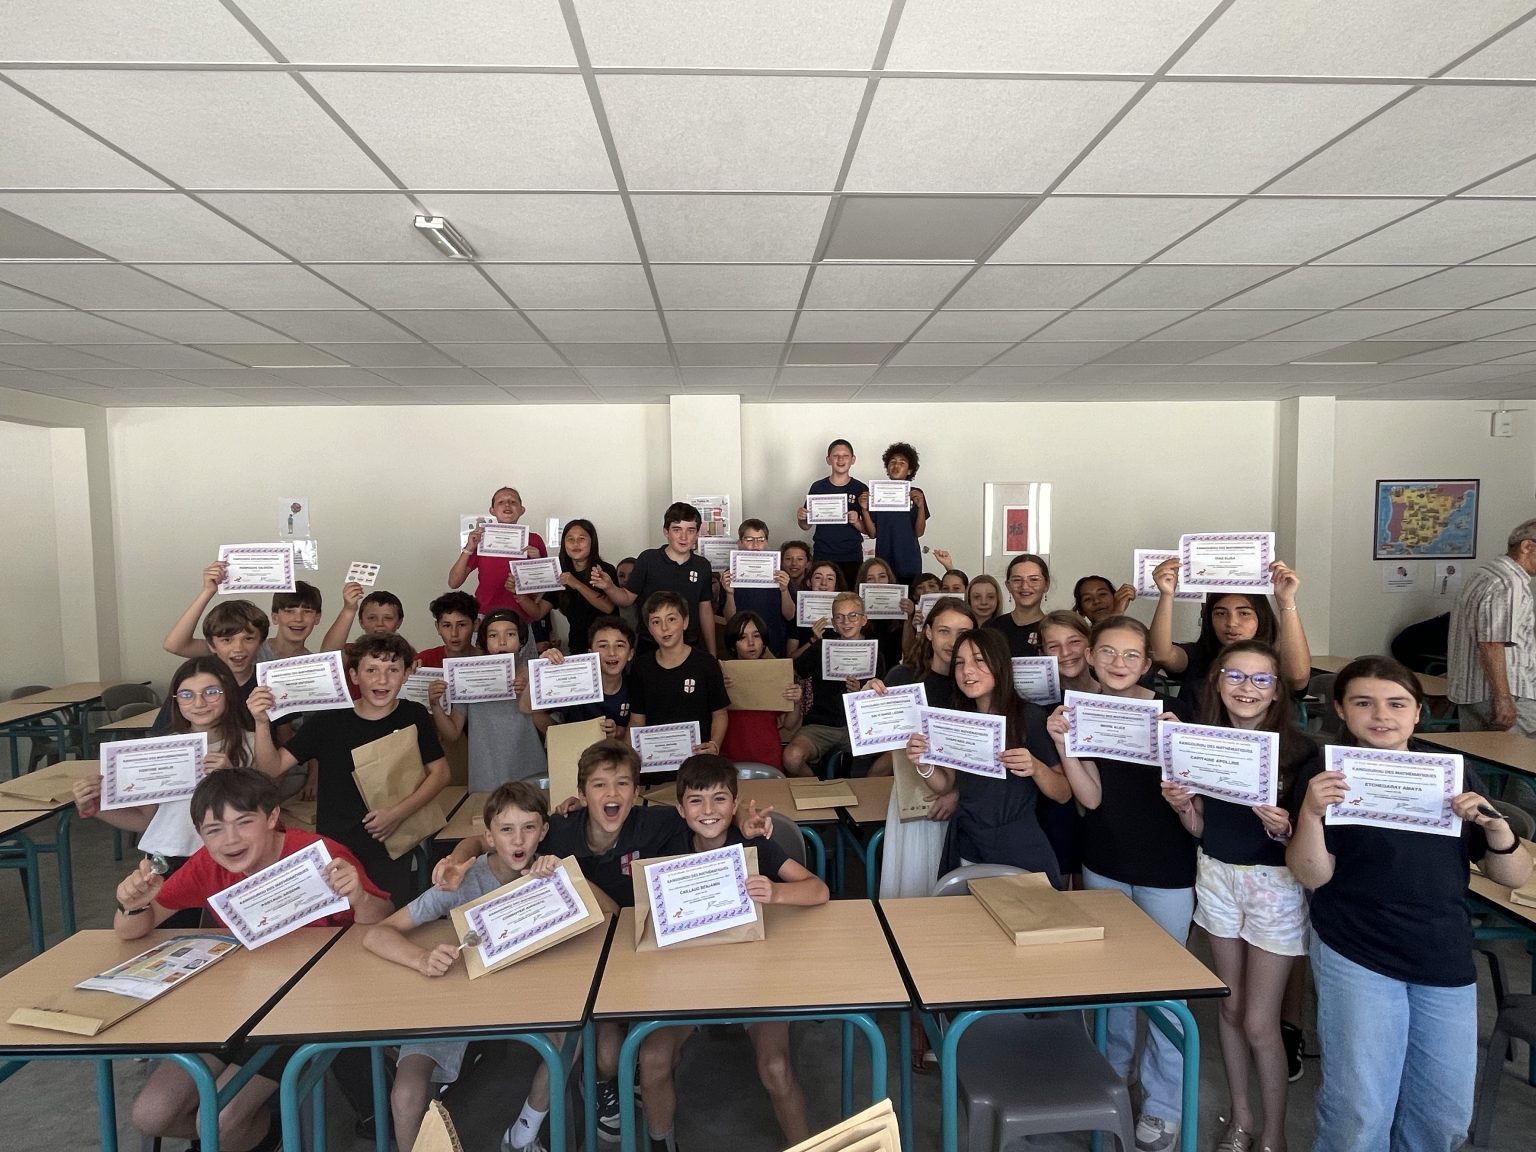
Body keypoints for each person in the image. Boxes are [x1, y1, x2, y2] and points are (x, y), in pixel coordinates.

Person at [1290, 657, 1532, 1152]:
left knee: (1444, 1114)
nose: (1382, 715)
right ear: (1341, 710)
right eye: (1363, 703)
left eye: (1397, 704)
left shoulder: (1452, 773)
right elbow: (1312, 875)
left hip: (1441, 953)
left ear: (1418, 713)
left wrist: (1497, 829)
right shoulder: (1325, 775)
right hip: (1356, 948)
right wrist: (1311, 814)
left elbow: (1512, 876)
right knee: (1360, 1110)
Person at [112, 768, 391, 1152]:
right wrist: (132, 905)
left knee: (217, 1122)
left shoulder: (319, 854)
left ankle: (244, 1131)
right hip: (236, 1005)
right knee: (152, 1114)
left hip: (306, 1006)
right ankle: (264, 1134)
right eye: (214, 830)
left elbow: (382, 919)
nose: (230, 839)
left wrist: (359, 896)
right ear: (200, 834)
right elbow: (132, 928)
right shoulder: (208, 865)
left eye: (244, 822)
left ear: (272, 817)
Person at [1046, 615, 1196, 1152]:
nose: (1118, 663)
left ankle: (1164, 1106)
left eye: (1132, 655)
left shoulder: (1173, 714)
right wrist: (1064, 744)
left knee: (1166, 992)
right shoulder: (1080, 713)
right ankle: (1110, 1084)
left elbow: (1193, 808)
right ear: (1089, 656)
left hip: (1168, 870)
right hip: (1105, 862)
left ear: (1148, 664)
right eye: (1107, 652)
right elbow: (1090, 798)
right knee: (1112, 989)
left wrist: (1178, 748)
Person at [1162, 642, 1318, 1152]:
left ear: (1277, 691)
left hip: (1274, 886)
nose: (1246, 688)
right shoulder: (1202, 741)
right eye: (1235, 676)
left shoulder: (1302, 753)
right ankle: (1242, 1119)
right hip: (1217, 877)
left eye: (1260, 679)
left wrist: (1284, 827)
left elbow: (1311, 847)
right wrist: (1183, 806)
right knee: (1229, 1011)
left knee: (1258, 1021)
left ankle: (1274, 1133)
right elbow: (1202, 829)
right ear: (1217, 682)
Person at [637, 755, 829, 1152]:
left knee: (776, 1067)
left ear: (735, 803)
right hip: (685, 980)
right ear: (680, 809)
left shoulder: (754, 843)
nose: (708, 810)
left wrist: (776, 892)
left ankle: (803, 1144)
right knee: (652, 1059)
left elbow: (818, 890)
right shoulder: (667, 842)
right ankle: (661, 1143)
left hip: (755, 977)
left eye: (720, 799)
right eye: (696, 801)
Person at [364, 783, 562, 1152]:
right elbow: (377, 934)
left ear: (544, 831)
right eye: (506, 830)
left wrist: (563, 876)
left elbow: (603, 915)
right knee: (406, 1093)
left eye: (529, 828)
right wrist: (421, 959)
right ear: (489, 837)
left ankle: (523, 1134)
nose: (518, 840)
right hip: (460, 998)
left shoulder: (550, 875)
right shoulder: (463, 881)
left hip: (527, 997)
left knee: (569, 1040)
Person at [253, 633, 449, 905]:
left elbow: (441, 773)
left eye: (393, 670)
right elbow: (272, 768)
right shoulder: (327, 721)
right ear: (354, 676)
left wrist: (397, 813)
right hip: (337, 846)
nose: (382, 680)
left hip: (393, 843)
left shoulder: (413, 714)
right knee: (346, 915)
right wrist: (262, 723)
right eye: (372, 670)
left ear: (406, 674)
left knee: (389, 914)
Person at [74, 658, 267, 923]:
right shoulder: (160, 750)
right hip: (168, 861)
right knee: (170, 936)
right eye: (186, 695)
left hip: (232, 858)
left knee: (237, 934)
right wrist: (95, 807)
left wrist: (232, 776)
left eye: (211, 692)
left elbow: (266, 811)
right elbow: (145, 820)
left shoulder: (252, 742)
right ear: (175, 701)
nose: (199, 703)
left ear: (229, 694)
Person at [905, 627, 1071, 883]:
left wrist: (1036, 767)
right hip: (969, 844)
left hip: (1019, 845)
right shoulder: (956, 718)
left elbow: (1063, 793)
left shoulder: (1029, 717)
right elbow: (945, 784)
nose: (967, 671)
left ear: (999, 664)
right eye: (959, 663)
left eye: (979, 660)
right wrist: (923, 763)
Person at [1148, 556, 1311, 710]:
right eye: (1220, 613)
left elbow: (1297, 678)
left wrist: (1286, 600)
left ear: (1261, 617)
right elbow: (1161, 654)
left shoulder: (1275, 660)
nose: (1231, 623)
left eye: (1244, 613)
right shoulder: (1199, 655)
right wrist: (1167, 594)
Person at [429, 610, 546, 789]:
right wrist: (435, 705)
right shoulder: (468, 676)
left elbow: (549, 728)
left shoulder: (536, 674)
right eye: (493, 635)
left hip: (532, 776)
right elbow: (452, 733)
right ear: (484, 641)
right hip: (486, 779)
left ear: (522, 640)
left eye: (510, 634)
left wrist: (528, 695)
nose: (502, 641)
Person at [592, 502, 717, 656]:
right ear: (666, 532)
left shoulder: (702, 565)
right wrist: (609, 586)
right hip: (650, 644)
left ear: (697, 533)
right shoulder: (648, 559)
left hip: (689, 643)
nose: (684, 537)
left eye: (690, 530)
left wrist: (713, 653)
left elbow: (705, 611)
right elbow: (627, 598)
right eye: (677, 530)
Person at [1447, 518, 1536, 734]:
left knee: (1478, 752)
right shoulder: (1509, 583)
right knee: (1513, 754)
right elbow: (1491, 644)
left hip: (1474, 690)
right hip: (1507, 694)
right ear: (1527, 546)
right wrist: (1503, 699)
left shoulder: (1485, 573)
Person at [784, 591, 880, 777]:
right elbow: (793, 671)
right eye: (839, 617)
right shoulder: (821, 647)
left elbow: (880, 700)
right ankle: (818, 788)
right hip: (820, 726)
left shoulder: (875, 652)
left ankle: (863, 790)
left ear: (864, 620)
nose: (846, 622)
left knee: (890, 757)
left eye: (853, 616)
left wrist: (860, 692)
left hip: (859, 727)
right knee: (792, 757)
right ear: (833, 624)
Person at [628, 592, 729, 757]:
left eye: (671, 619)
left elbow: (720, 713)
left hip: (698, 760)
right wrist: (632, 755)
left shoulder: (706, 664)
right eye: (656, 622)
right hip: (655, 760)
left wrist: (714, 744)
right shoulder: (641, 667)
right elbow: (637, 720)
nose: (664, 628)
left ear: (685, 621)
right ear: (649, 629)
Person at [523, 616, 636, 742]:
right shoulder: (574, 681)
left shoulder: (636, 687)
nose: (612, 653)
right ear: (590, 653)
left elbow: (641, 730)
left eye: (619, 645)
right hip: (573, 749)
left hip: (617, 752)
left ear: (630, 654)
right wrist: (540, 671)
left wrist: (618, 732)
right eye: (603, 645)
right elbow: (526, 707)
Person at [516, 519, 618, 655]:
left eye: (581, 539)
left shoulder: (604, 570)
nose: (575, 544)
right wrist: (520, 595)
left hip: (608, 647)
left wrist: (576, 584)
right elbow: (538, 612)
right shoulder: (560, 573)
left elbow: (608, 607)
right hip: (578, 647)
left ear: (592, 542)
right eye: (570, 539)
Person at [448, 486, 549, 619]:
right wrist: (469, 548)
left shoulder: (534, 540)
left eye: (513, 502)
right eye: (501, 502)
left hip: (522, 616)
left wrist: (538, 562)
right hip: (486, 614)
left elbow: (545, 589)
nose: (507, 505)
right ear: (492, 510)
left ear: (522, 510)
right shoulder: (481, 540)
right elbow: (454, 582)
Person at [719, 611, 803, 770]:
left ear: (764, 641)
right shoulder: (721, 674)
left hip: (769, 758)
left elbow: (789, 724)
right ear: (732, 644)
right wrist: (717, 689)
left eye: (756, 636)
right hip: (729, 760)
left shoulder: (776, 674)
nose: (751, 643)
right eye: (742, 637)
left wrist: (797, 701)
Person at [796, 438, 868, 588]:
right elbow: (806, 526)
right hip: (823, 554)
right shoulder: (818, 487)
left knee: (849, 597)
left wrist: (857, 522)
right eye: (836, 456)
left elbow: (870, 530)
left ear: (853, 459)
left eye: (845, 456)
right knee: (822, 596)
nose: (840, 459)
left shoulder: (860, 488)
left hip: (851, 556)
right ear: (828, 460)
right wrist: (802, 518)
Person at [856, 441, 929, 584]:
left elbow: (919, 532)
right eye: (892, 462)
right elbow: (873, 534)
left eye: (902, 463)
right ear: (887, 468)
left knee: (909, 596)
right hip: (884, 561)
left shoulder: (916, 494)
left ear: (909, 470)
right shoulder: (876, 494)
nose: (896, 466)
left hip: (909, 560)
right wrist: (864, 510)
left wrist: (920, 507)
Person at [720, 518, 795, 658]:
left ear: (767, 543)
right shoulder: (730, 575)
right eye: (749, 540)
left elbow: (789, 615)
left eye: (761, 540)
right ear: (740, 543)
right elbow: (730, 619)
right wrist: (729, 593)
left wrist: (784, 590)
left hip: (774, 641)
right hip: (742, 644)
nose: (755, 545)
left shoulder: (780, 573)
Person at [987, 553, 1051, 657]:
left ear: (1046, 585)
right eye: (1017, 580)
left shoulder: (1053, 629)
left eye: (1034, 579)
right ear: (1008, 585)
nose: (1025, 586)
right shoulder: (992, 628)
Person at [785, 559, 845, 658]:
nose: (824, 583)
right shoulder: (798, 613)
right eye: (818, 577)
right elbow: (790, 659)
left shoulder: (846, 613)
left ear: (836, 584)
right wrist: (813, 640)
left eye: (830, 579)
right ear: (809, 582)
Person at [856, 556, 906, 669]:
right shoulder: (855, 609)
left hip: (892, 670)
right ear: (863, 582)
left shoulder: (901, 608)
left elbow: (907, 651)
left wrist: (909, 616)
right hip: (863, 669)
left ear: (889, 579)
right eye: (870, 578)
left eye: (882, 576)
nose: (877, 582)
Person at [414, 591, 480, 669]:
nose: (454, 633)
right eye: (447, 626)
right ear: (438, 627)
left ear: (475, 625)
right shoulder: (424, 661)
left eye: (461, 625)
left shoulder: (489, 658)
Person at [267, 581, 323, 659]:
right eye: (289, 611)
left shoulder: (314, 663)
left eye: (307, 611)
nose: (298, 619)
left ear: (317, 618)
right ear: (275, 617)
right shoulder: (254, 652)